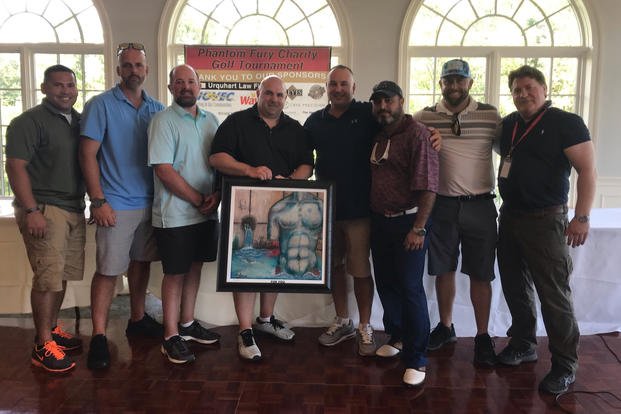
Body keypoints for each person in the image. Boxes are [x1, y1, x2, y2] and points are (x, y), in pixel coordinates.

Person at [496, 65, 596, 394]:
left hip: (546, 220)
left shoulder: (566, 124)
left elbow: (587, 171)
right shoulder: (509, 124)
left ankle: (565, 365)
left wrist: (581, 217)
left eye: (528, 87)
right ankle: (524, 344)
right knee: (515, 286)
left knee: (554, 296)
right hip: (510, 218)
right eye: (516, 90)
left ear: (543, 88)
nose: (522, 94)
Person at [209, 75, 314, 361]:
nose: (274, 99)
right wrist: (249, 170)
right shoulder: (236, 122)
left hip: (282, 208)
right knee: (245, 264)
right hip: (242, 207)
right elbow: (217, 158)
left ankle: (265, 320)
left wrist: (290, 181)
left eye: (280, 95)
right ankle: (245, 330)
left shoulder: (294, 128)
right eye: (269, 93)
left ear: (285, 98)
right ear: (258, 94)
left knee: (274, 260)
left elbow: (307, 163)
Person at [79, 42, 165, 370]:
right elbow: (87, 154)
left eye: (138, 66)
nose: (133, 71)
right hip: (114, 204)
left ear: (146, 70)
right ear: (118, 71)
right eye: (126, 65)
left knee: (141, 263)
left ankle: (138, 317)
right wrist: (97, 200)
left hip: (150, 201)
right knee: (108, 270)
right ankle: (99, 336)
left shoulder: (156, 108)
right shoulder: (100, 105)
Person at [413, 59, 501, 366]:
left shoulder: (490, 115)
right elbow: (408, 144)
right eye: (448, 81)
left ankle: (482, 336)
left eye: (459, 80)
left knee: (481, 273)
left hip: (481, 205)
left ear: (469, 83)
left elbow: (512, 152)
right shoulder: (424, 116)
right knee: (443, 269)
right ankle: (446, 326)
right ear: (440, 84)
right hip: (442, 205)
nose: (454, 86)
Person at [6, 65, 85, 373]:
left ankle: (52, 330)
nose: (65, 91)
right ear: (43, 88)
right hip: (43, 208)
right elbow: (15, 167)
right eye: (58, 85)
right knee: (47, 277)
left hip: (74, 207)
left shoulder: (78, 122)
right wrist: (30, 210)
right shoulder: (28, 122)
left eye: (70, 85)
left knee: (60, 275)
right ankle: (41, 346)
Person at [148, 64, 221, 364]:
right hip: (174, 215)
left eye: (191, 81)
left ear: (199, 85)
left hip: (205, 213)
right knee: (175, 274)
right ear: (170, 88)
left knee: (195, 268)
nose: (186, 87)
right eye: (179, 82)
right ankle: (170, 335)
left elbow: (219, 163)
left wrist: (215, 195)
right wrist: (198, 198)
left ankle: (188, 324)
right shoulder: (162, 121)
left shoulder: (211, 120)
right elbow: (163, 170)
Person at [304, 65, 379, 356]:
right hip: (327, 209)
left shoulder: (368, 114)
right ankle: (343, 320)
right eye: (333, 84)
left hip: (360, 210)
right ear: (326, 87)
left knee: (360, 270)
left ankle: (365, 325)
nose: (338, 89)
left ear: (354, 87)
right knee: (334, 267)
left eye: (343, 84)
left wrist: (430, 133)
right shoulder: (314, 122)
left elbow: (399, 124)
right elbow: (301, 160)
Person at [368, 80, 439, 387]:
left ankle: (417, 357)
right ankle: (396, 336)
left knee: (410, 288)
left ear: (401, 101)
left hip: (409, 223)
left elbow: (429, 187)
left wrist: (418, 228)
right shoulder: (378, 133)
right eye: (378, 102)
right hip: (379, 222)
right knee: (386, 283)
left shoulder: (419, 135)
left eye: (389, 101)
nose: (383, 107)